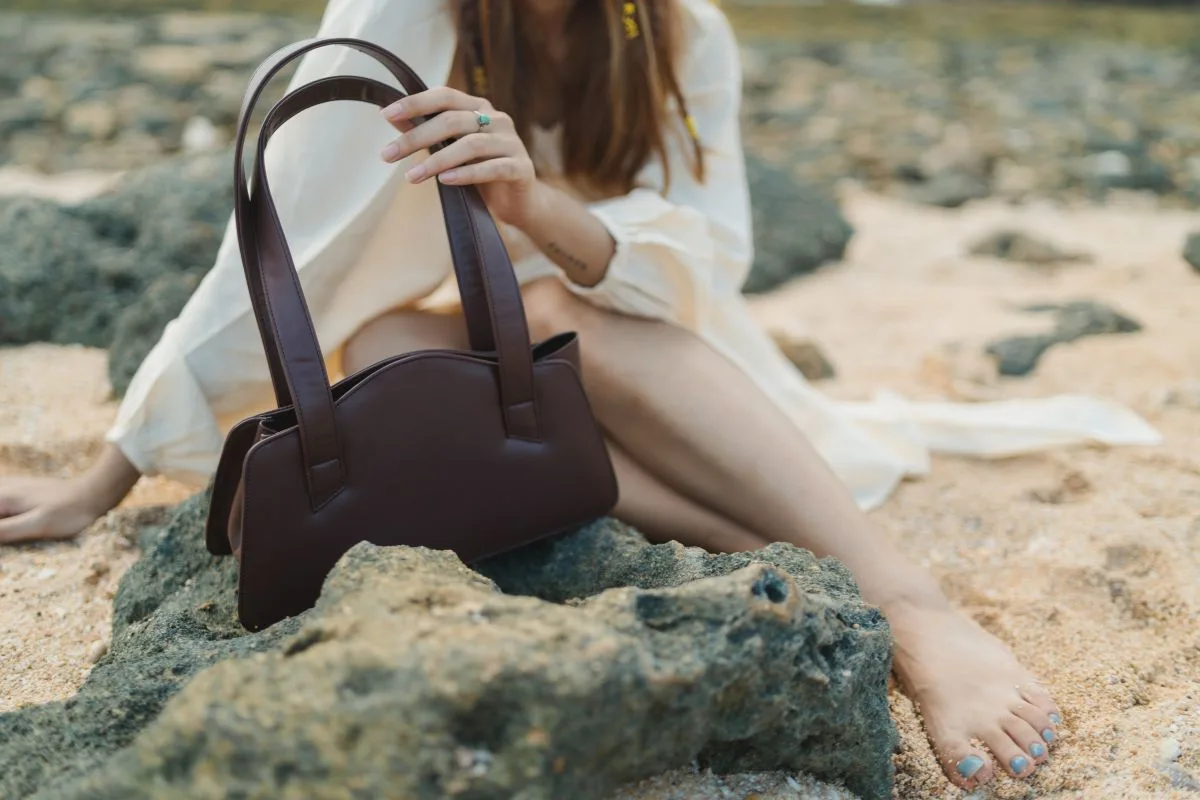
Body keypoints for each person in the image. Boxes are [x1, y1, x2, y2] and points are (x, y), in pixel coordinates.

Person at [0, 0, 1159, 789]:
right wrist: (105, 474)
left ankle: (912, 603)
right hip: (481, 361)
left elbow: (711, 258)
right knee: (393, 340)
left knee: (555, 308)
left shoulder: (678, 27)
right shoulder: (409, 13)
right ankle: (768, 539)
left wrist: (536, 202)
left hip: (665, 363)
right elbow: (278, 247)